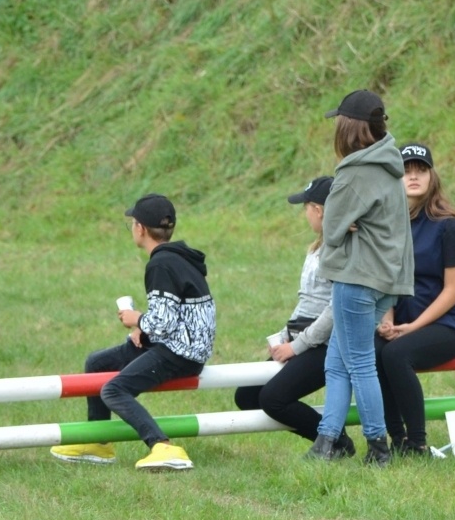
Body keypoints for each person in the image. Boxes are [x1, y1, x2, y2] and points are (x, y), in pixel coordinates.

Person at [52, 194, 215, 471]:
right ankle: (98, 441)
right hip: (178, 343)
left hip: (181, 353)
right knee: (97, 363)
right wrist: (145, 329)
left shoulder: (160, 264)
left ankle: (161, 445)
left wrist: (135, 318)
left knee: (113, 390)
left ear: (139, 228)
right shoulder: (179, 258)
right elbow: (176, 315)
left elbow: (163, 322)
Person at [307, 90, 413, 466]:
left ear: (348, 129)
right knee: (336, 363)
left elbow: (331, 226)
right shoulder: (389, 165)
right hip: (386, 280)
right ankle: (326, 441)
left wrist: (346, 222)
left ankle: (378, 448)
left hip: (357, 279)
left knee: (360, 364)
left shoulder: (354, 172)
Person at [232, 176, 356, 459]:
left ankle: (334, 440)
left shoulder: (343, 249)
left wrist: (297, 347)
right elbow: (307, 302)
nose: (305, 214)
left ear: (319, 210)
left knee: (272, 397)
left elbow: (334, 309)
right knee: (246, 396)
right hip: (302, 337)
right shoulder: (314, 249)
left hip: (327, 345)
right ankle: (330, 435)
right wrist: (285, 334)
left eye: (306, 207)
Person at [376, 142, 455, 457]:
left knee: (395, 355)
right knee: (374, 351)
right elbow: (387, 280)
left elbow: (452, 291)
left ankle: (416, 444)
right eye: (406, 171)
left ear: (432, 176)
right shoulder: (391, 225)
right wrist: (388, 319)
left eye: (421, 170)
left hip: (447, 324)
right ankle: (396, 440)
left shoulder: (449, 225)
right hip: (403, 321)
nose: (413, 176)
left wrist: (413, 326)